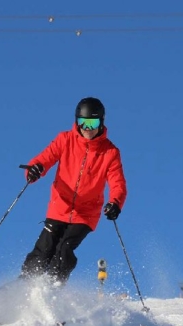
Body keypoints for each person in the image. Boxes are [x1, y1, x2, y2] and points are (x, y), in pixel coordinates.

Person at [20, 97, 127, 284]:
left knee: (64, 248)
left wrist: (115, 203)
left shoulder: (110, 152)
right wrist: (34, 170)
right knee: (45, 247)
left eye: (92, 122)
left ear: (101, 122)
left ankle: (54, 287)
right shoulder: (65, 140)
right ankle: (25, 284)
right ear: (76, 121)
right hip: (59, 206)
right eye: (82, 122)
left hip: (85, 213)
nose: (87, 128)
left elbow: (117, 183)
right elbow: (45, 158)